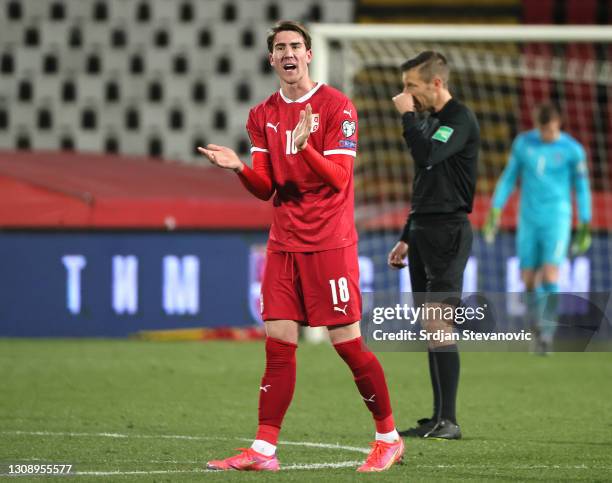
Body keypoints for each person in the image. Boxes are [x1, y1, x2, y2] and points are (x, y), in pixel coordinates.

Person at [198, 21, 404, 472]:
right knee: (277, 344)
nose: (288, 53)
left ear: (309, 54)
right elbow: (265, 187)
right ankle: (264, 450)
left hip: (329, 243)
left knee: (347, 344)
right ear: (271, 59)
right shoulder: (261, 114)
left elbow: (339, 179)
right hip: (284, 244)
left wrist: (307, 147)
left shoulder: (337, 107)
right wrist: (237, 168)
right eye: (279, 48)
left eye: (295, 45)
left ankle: (388, 436)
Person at [387, 51, 480, 440]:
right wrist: (407, 236)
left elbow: (426, 156)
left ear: (437, 83)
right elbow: (425, 183)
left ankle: (451, 421)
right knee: (430, 326)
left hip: (448, 231)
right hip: (424, 230)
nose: (405, 93)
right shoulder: (434, 121)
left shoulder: (458, 119)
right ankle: (438, 417)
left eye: (412, 86)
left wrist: (407, 116)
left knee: (440, 323)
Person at [483, 102, 592, 354]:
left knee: (551, 273)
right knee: (529, 279)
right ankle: (537, 326)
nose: (547, 135)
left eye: (551, 131)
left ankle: (548, 334)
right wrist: (495, 209)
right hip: (528, 219)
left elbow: (582, 187)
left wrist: (585, 221)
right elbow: (509, 177)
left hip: (557, 217)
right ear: (537, 125)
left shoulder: (573, 150)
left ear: (558, 125)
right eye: (543, 130)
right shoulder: (524, 144)